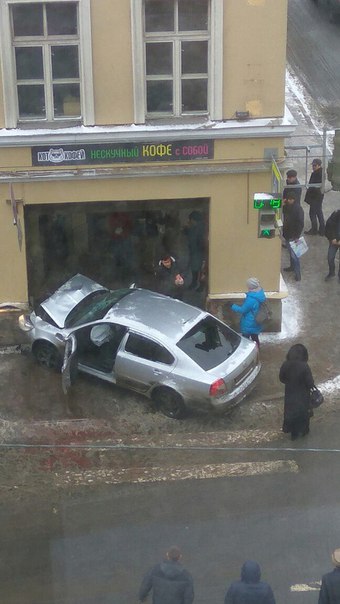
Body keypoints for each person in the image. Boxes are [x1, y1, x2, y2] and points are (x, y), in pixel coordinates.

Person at [279, 343, 315, 441]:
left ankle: (293, 434)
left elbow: (281, 378)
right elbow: (310, 383)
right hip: (303, 396)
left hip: (290, 394)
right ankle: (304, 431)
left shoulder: (285, 364)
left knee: (291, 413)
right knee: (303, 413)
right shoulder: (304, 366)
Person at [231, 277, 266, 348]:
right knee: (255, 338)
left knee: (245, 340)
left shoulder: (251, 299)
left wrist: (232, 305)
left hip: (249, 323)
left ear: (250, 286)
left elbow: (242, 310)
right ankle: (257, 350)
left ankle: (246, 353)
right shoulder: (260, 294)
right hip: (257, 321)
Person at [282, 192, 304, 281]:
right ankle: (292, 267)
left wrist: (297, 236)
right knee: (291, 254)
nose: (288, 201)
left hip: (294, 235)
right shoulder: (288, 207)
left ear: (293, 200)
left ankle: (298, 274)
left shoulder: (298, 209)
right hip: (288, 234)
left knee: (295, 255)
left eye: (289, 199)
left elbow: (300, 223)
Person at [304, 158, 325, 236]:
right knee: (319, 212)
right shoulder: (319, 172)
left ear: (319, 165)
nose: (313, 167)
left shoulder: (318, 174)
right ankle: (322, 230)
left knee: (312, 213)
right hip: (318, 196)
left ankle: (314, 230)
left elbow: (314, 186)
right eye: (313, 165)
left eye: (315, 165)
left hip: (315, 197)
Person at [184, 211, 205, 290]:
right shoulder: (193, 228)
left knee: (200, 269)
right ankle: (195, 282)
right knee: (195, 268)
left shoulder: (200, 228)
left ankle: (200, 284)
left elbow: (200, 240)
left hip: (198, 252)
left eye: (190, 219)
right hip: (194, 251)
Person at [324, 210, 340, 282]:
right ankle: (331, 272)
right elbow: (329, 227)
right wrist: (332, 238)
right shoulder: (336, 214)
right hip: (334, 241)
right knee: (330, 258)